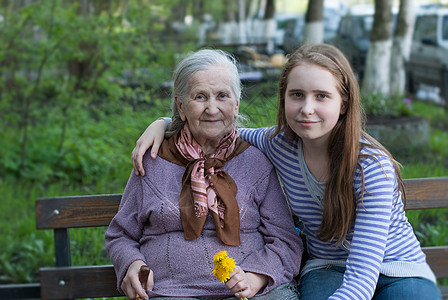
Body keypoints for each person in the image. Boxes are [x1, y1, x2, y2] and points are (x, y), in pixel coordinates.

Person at [130, 44, 442, 300]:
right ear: (284, 98)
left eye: (321, 96)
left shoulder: (370, 167)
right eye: (297, 95)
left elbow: (360, 281)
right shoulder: (277, 144)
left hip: (395, 268)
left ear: (344, 103)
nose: (307, 108)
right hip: (326, 267)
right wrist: (165, 123)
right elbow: (217, 126)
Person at [105, 49, 303, 300]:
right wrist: (132, 264)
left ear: (237, 103)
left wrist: (257, 277)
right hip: (171, 293)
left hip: (253, 295)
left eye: (222, 96)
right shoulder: (153, 159)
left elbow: (286, 241)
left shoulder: (257, 159)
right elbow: (121, 233)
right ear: (181, 105)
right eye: (200, 97)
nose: (212, 109)